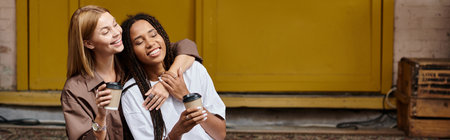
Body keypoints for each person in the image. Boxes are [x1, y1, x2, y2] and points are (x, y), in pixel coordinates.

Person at [61, 5, 201, 140]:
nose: (116, 33)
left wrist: (166, 82)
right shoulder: (75, 90)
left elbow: (186, 47)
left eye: (115, 25)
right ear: (89, 44)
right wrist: (101, 117)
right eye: (105, 32)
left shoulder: (131, 60)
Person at [118, 13, 226, 140]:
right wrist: (177, 132)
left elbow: (220, 134)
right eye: (139, 42)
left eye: (153, 35)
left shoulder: (195, 70)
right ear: (131, 52)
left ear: (162, 35)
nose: (150, 43)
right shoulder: (132, 93)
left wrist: (186, 96)